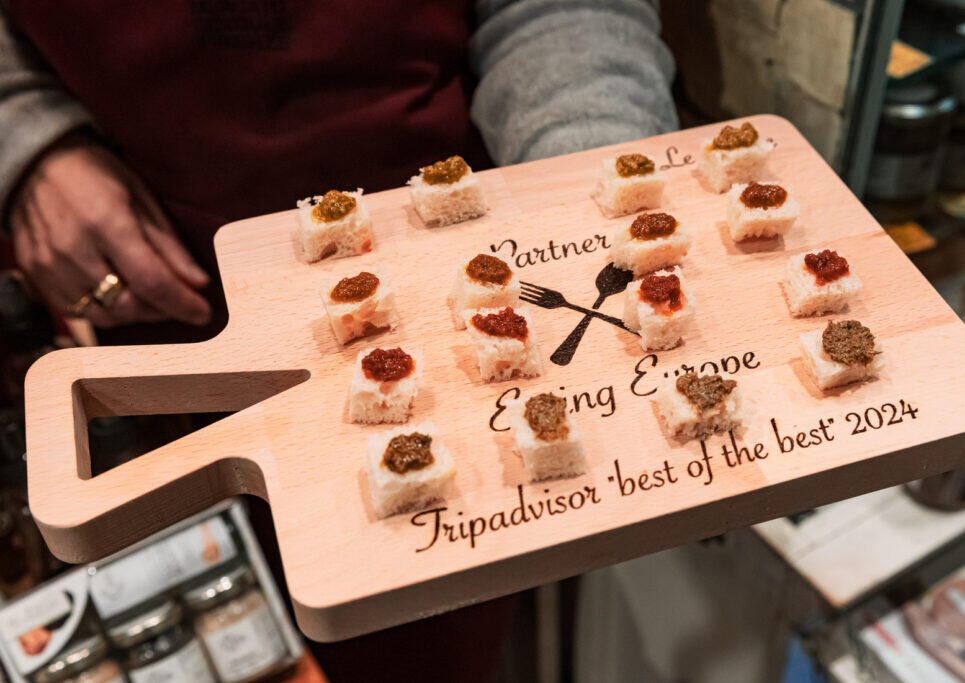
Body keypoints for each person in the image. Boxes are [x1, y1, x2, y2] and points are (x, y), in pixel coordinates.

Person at [1, 1, 677, 679]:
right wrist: (23, 132)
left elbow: (559, 13)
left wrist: (590, 197)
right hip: (148, 294)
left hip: (441, 236)